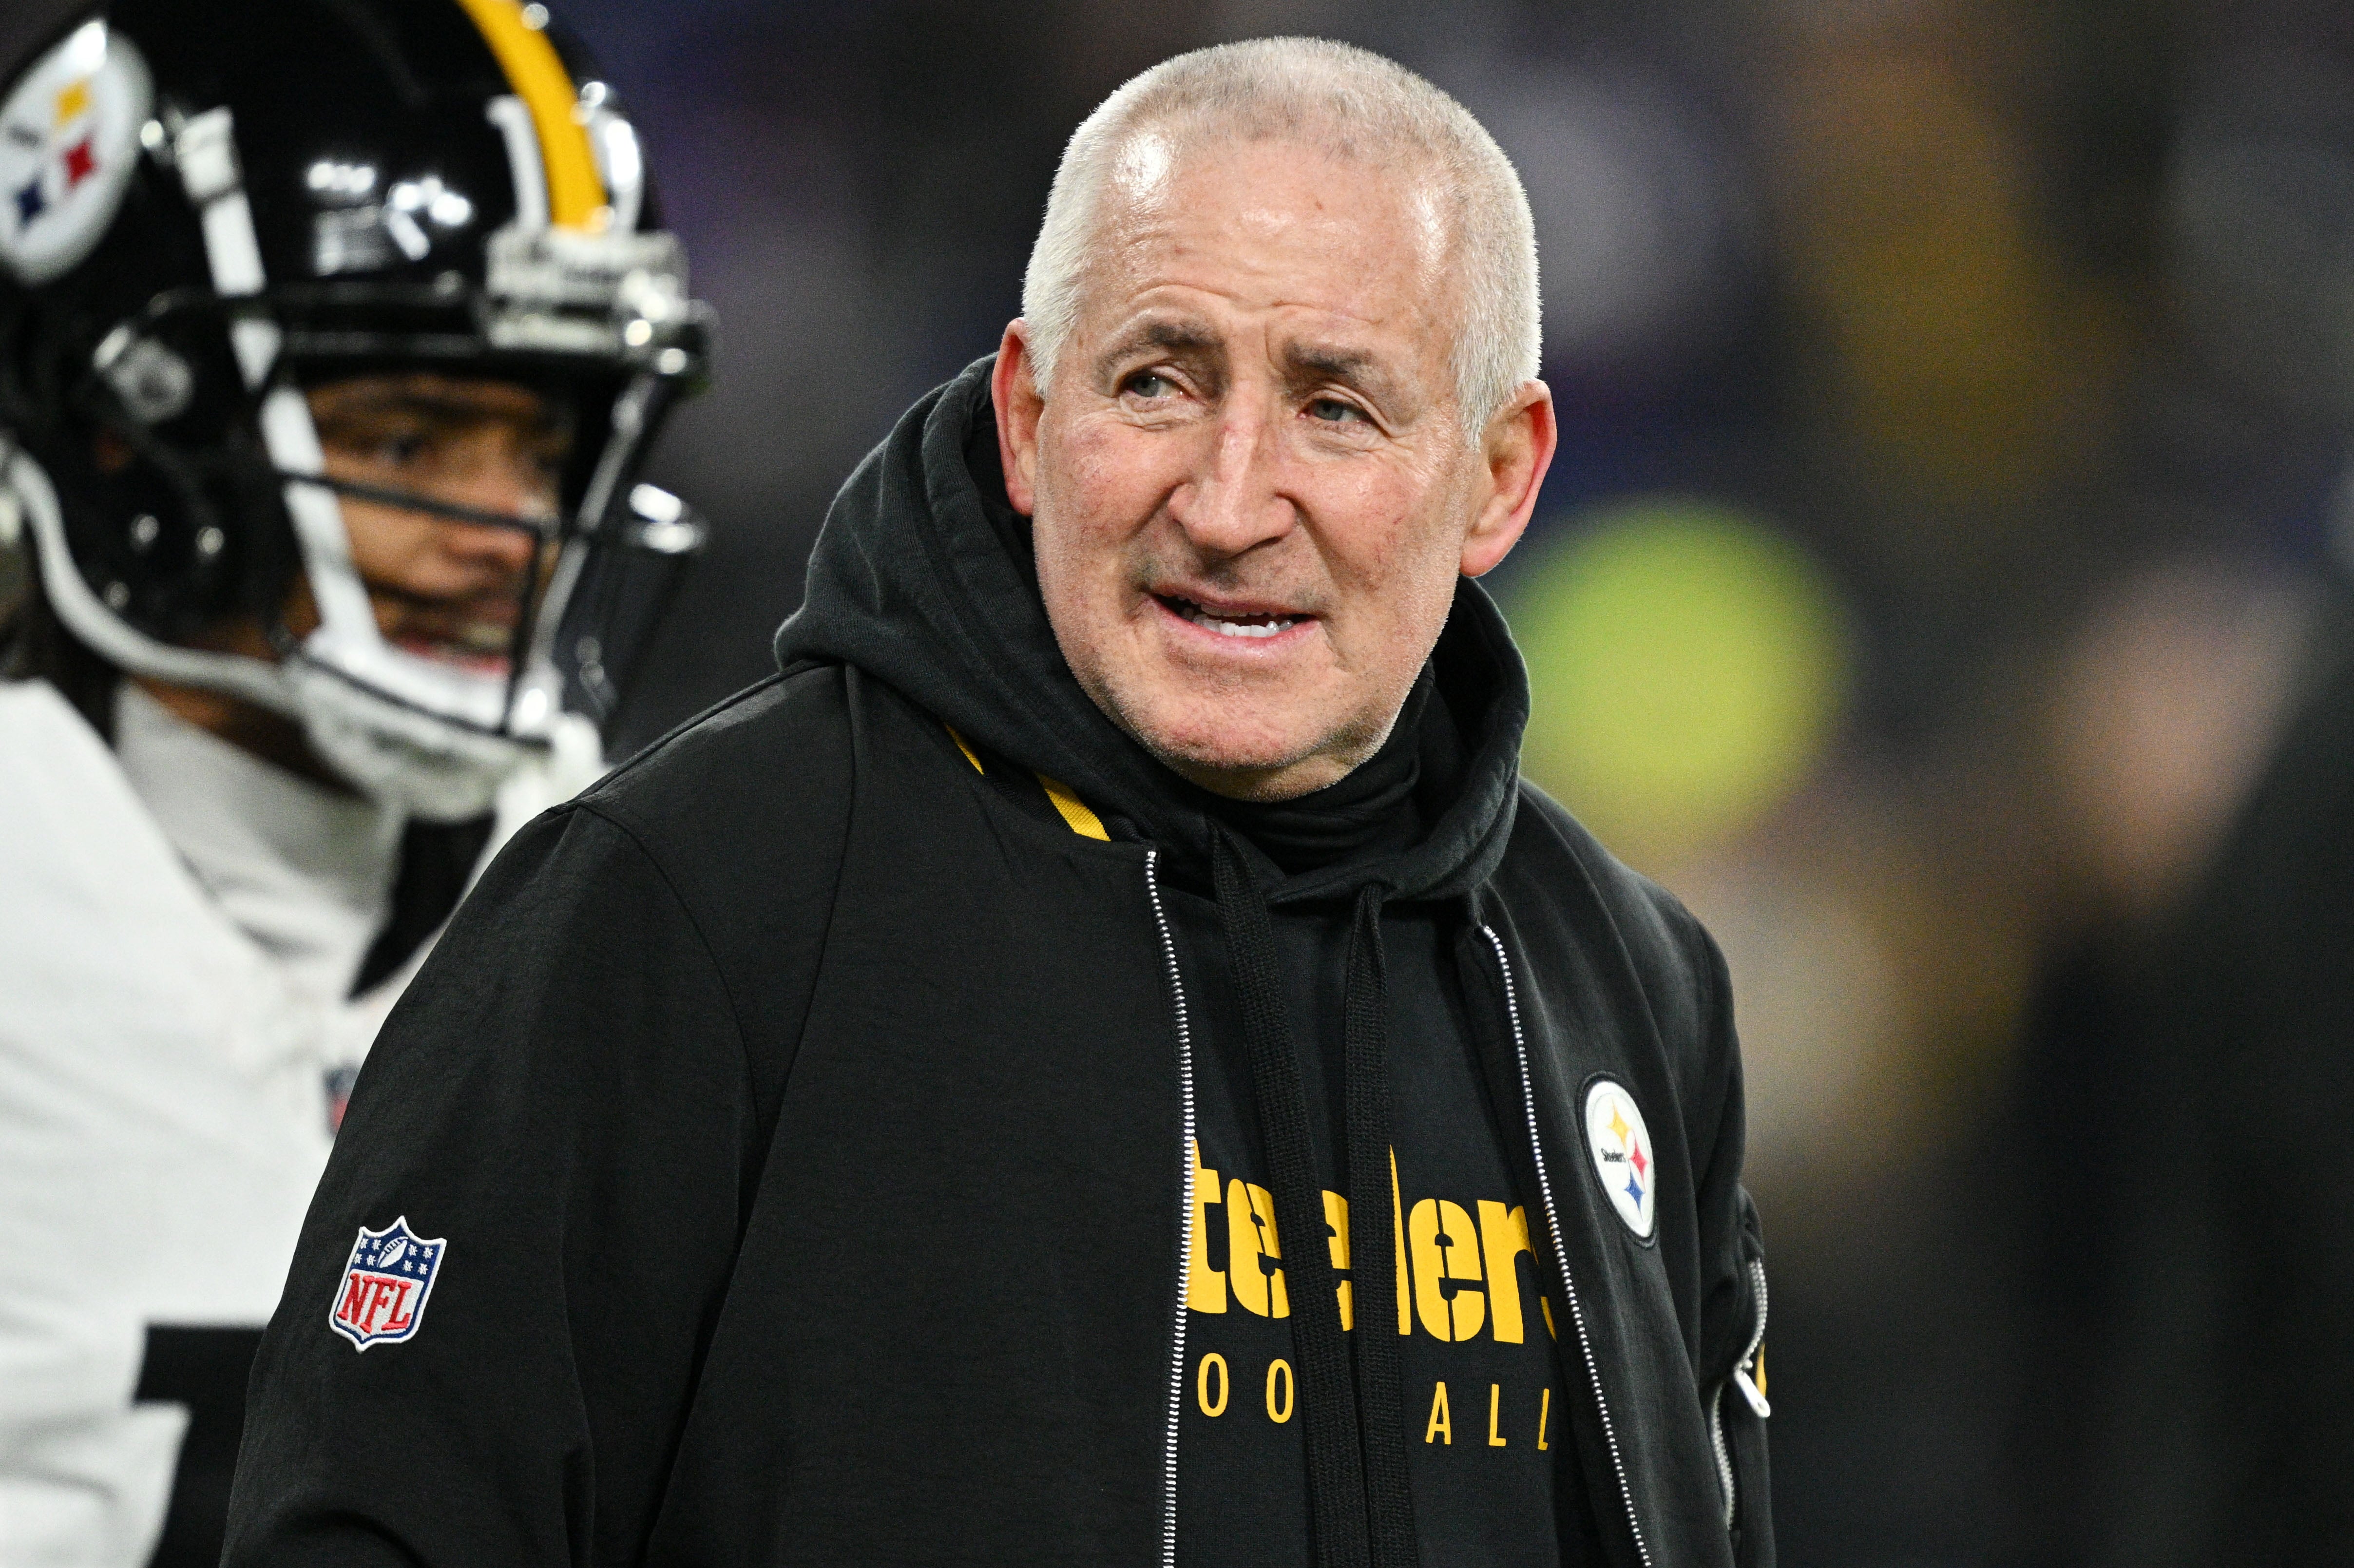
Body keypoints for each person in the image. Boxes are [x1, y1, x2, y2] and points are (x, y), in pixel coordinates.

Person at [227, 38, 1771, 1568]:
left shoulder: (1630, 989)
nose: (1230, 505)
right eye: (1158, 381)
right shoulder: (691, 903)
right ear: (1028, 415)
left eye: (1336, 407)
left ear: (1501, 477)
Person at [0, 2, 709, 1563]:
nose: (499, 528)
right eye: (410, 432)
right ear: (131, 440)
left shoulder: (642, 893)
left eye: (538, 446)